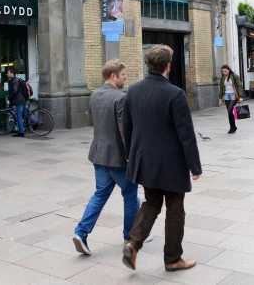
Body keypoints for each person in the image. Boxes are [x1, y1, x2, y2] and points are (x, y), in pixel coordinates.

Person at [122, 44, 202, 273]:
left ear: (149, 65)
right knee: (175, 210)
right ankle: (173, 259)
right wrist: (195, 166)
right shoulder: (175, 94)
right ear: (168, 66)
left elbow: (126, 128)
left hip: (144, 160)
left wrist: (131, 156)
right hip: (172, 164)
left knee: (151, 203)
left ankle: (133, 243)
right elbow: (186, 134)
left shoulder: (133, 90)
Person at [72, 59, 140, 256]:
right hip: (118, 158)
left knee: (100, 195)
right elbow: (124, 130)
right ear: (113, 75)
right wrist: (132, 155)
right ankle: (130, 237)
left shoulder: (94, 94)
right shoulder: (121, 98)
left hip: (99, 154)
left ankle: (80, 233)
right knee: (130, 195)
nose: (126, 77)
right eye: (124, 74)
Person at [218, 65, 244, 134]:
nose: (224, 72)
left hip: (234, 95)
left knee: (230, 110)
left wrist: (240, 96)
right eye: (223, 71)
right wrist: (220, 98)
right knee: (229, 112)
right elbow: (221, 88)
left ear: (229, 70)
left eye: (225, 71)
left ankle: (233, 127)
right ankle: (232, 127)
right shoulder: (222, 78)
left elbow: (239, 86)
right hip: (226, 95)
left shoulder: (234, 76)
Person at [7, 67, 26, 137]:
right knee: (26, 115)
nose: (7, 74)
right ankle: (36, 123)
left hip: (19, 101)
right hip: (23, 99)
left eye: (8, 73)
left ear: (12, 74)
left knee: (19, 117)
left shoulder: (14, 81)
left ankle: (21, 132)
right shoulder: (17, 79)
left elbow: (15, 91)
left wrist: (10, 97)